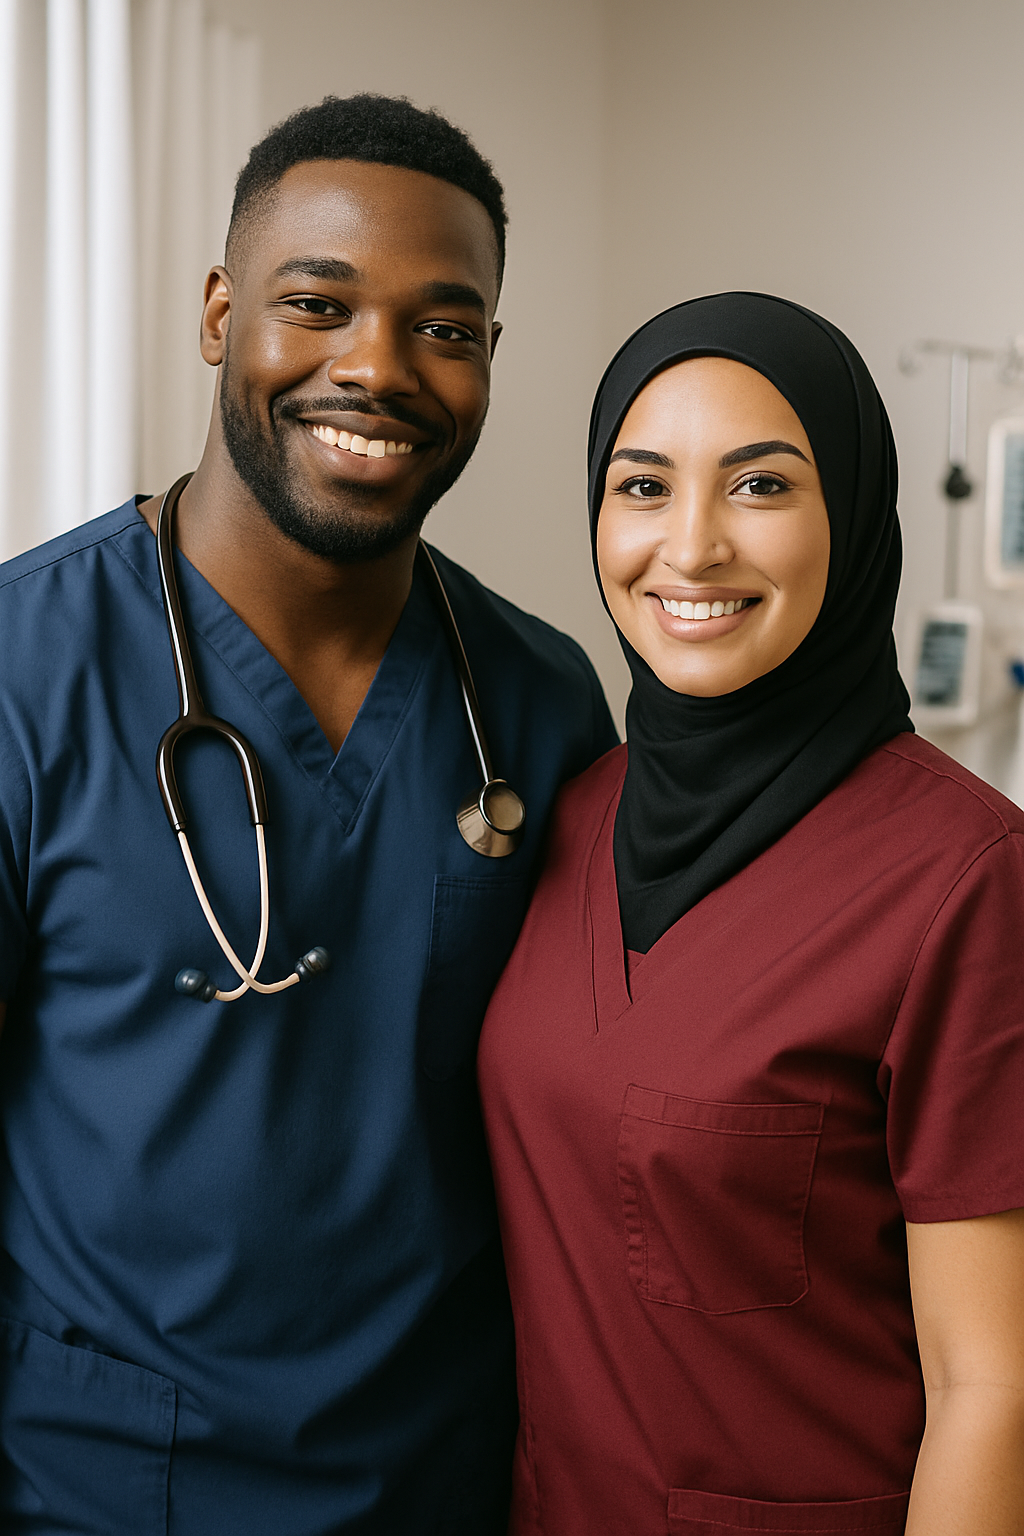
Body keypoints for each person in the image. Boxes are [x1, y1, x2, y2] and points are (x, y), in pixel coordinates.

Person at [0, 95, 615, 1534]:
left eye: (444, 328)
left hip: (442, 1482)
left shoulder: (538, 700)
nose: (378, 368)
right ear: (222, 315)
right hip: (100, 1492)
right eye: (317, 305)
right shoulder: (28, 672)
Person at [478, 292, 1024, 1535]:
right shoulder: (568, 815)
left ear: (852, 510)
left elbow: (991, 1385)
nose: (692, 545)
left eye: (762, 486)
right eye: (642, 484)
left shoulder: (965, 876)